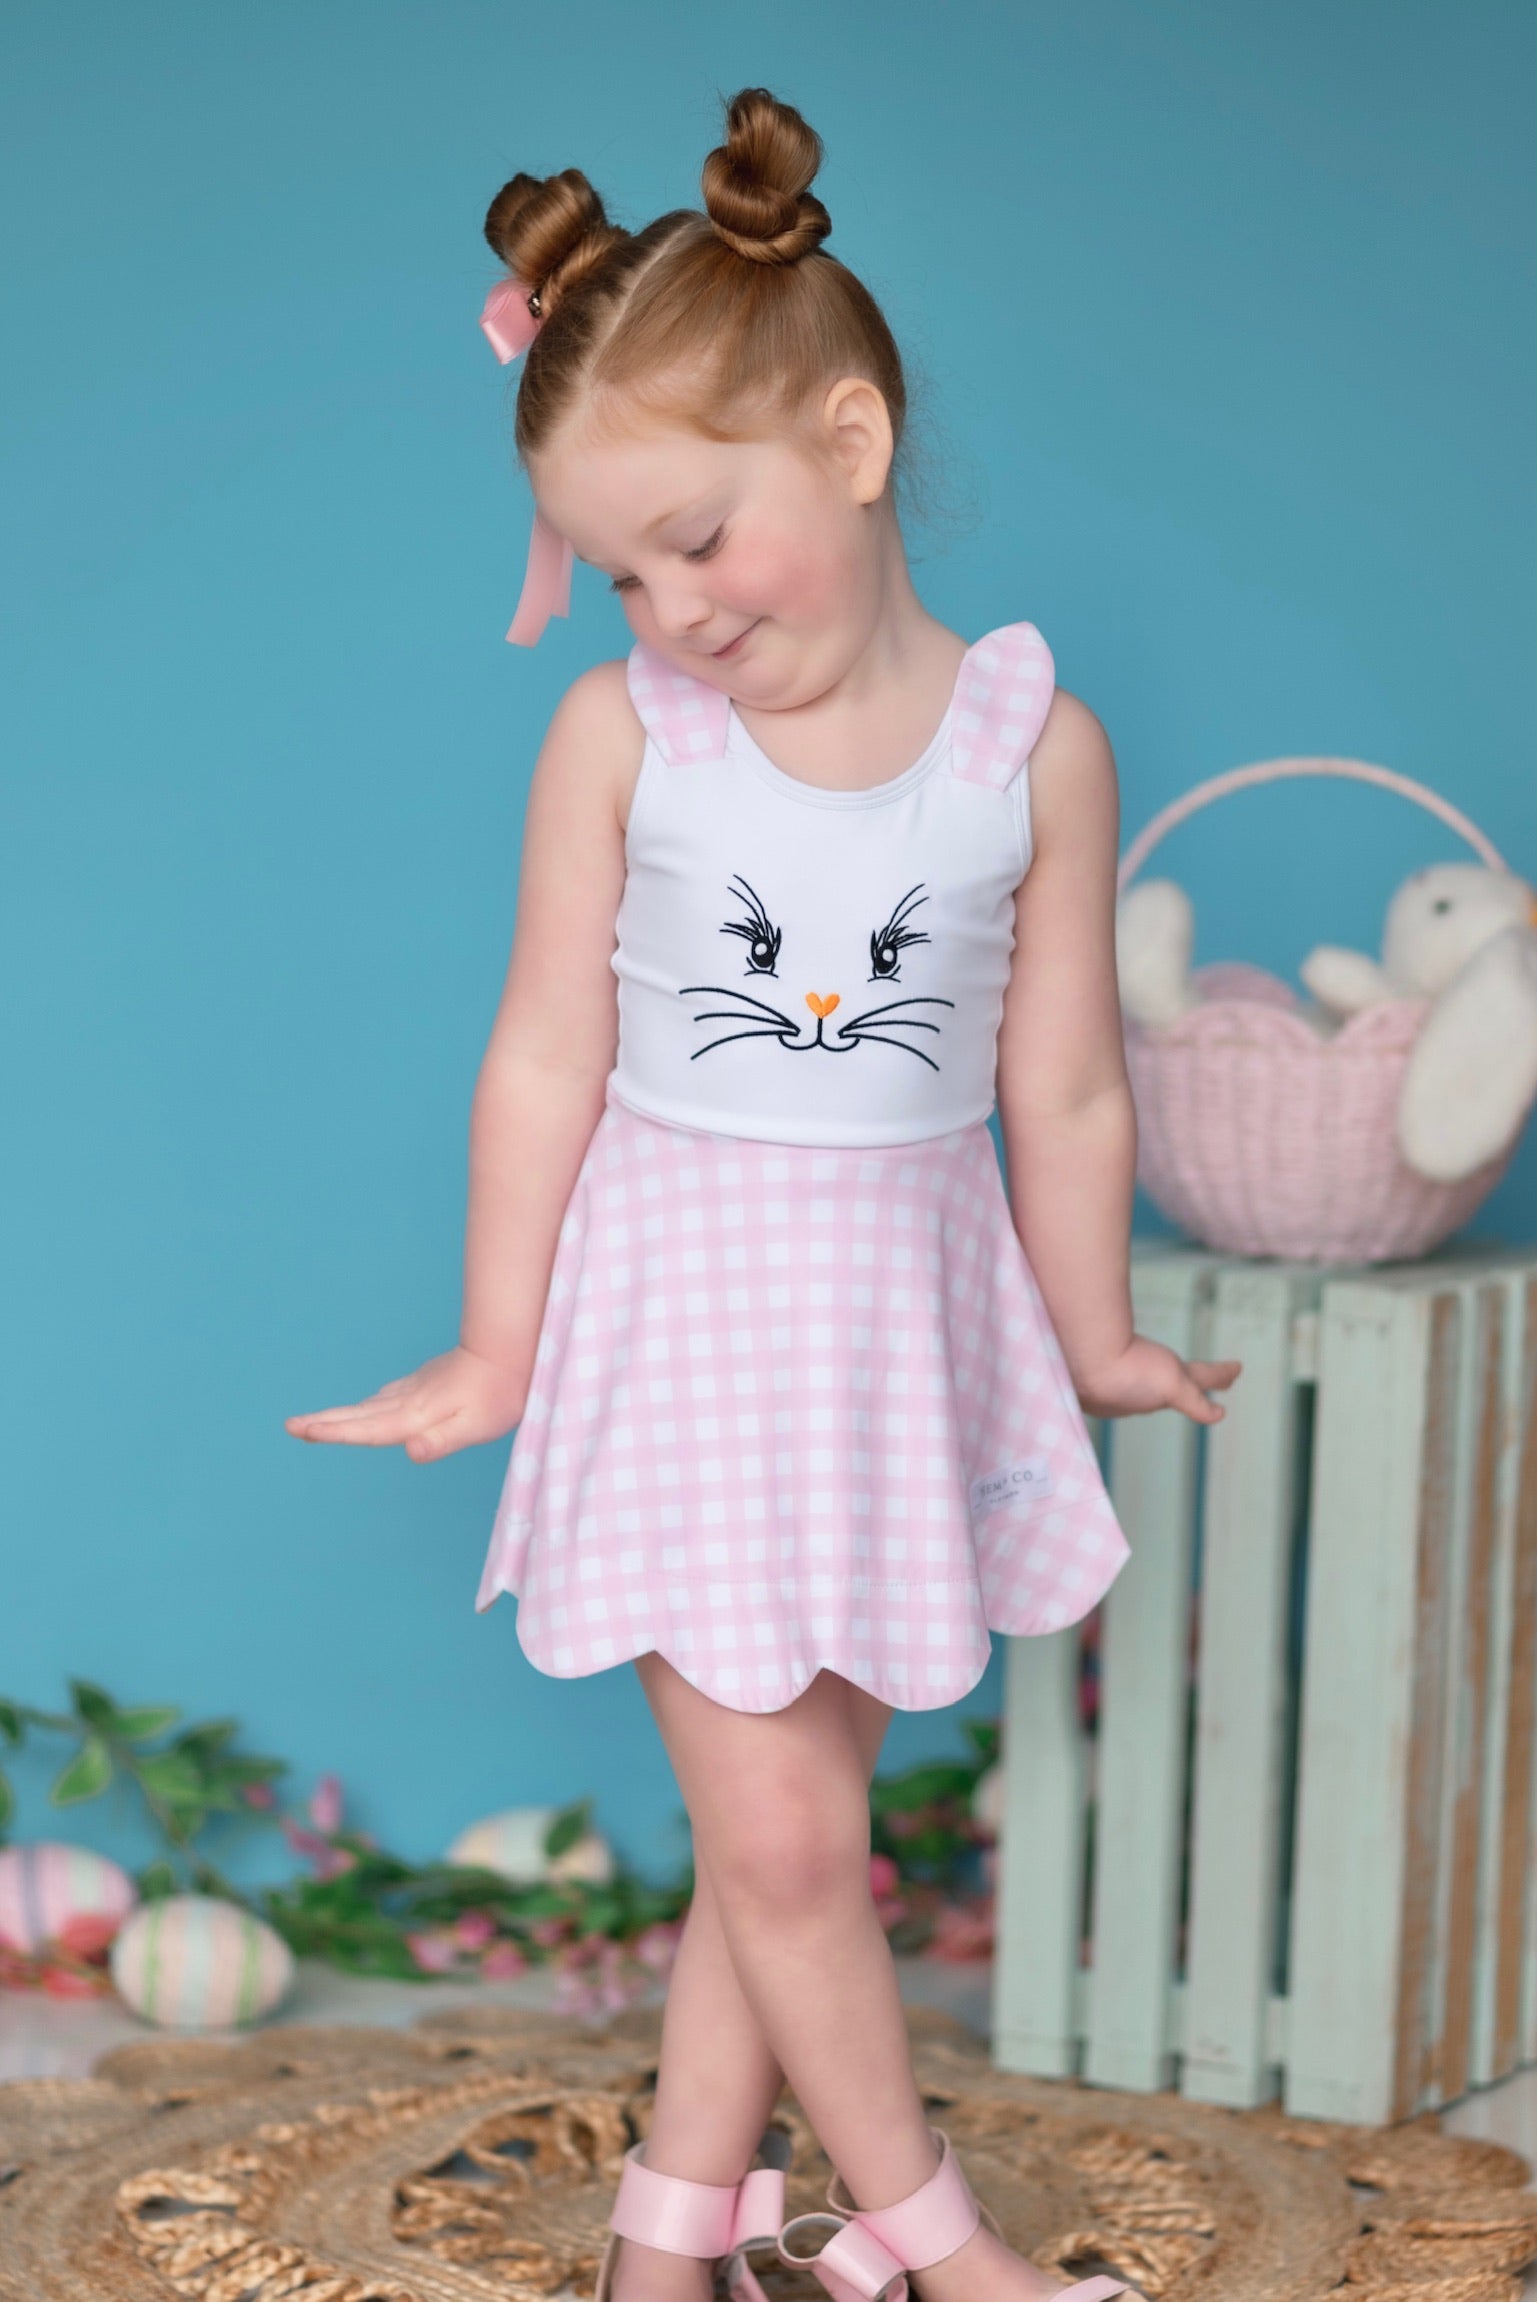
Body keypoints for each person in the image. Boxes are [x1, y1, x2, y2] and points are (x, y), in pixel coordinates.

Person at [287, 85, 1240, 2302]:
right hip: (684, 1328)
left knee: (768, 1839)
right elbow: (545, 1054)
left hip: (899, 1339)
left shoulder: (1033, 751)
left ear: (853, 439)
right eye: (625, 571)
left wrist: (1093, 1331)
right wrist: (499, 1340)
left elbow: (1061, 1081)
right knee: (800, 1839)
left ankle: (669, 2242)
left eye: (700, 539)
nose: (673, 608)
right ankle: (938, 2250)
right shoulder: (628, 739)